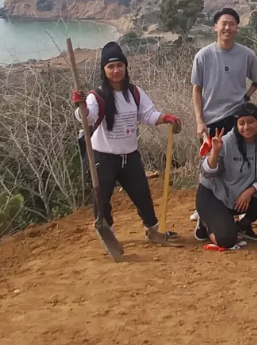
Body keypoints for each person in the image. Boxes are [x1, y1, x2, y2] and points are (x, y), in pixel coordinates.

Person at [72, 42, 182, 242]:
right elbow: (88, 117)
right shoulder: (95, 96)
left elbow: (147, 114)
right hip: (103, 157)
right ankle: (107, 233)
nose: (115, 70)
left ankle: (153, 230)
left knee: (142, 194)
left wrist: (166, 118)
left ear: (125, 67)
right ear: (103, 70)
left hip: (129, 155)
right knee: (101, 198)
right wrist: (81, 106)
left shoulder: (134, 93)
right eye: (110, 67)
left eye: (119, 65)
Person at [195, 103, 257, 249]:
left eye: (251, 122)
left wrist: (250, 191)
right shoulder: (226, 142)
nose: (246, 127)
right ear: (236, 124)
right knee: (227, 240)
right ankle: (206, 223)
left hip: (241, 198)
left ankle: (243, 225)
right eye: (241, 123)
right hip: (214, 196)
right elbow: (207, 172)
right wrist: (215, 152)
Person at [192, 7, 257, 140]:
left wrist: (246, 97)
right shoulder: (203, 56)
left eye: (232, 24)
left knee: (239, 159)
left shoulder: (247, 54)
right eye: (224, 24)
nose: (228, 28)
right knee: (211, 160)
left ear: (237, 28)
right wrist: (199, 121)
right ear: (215, 27)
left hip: (238, 119)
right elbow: (196, 89)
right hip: (211, 120)